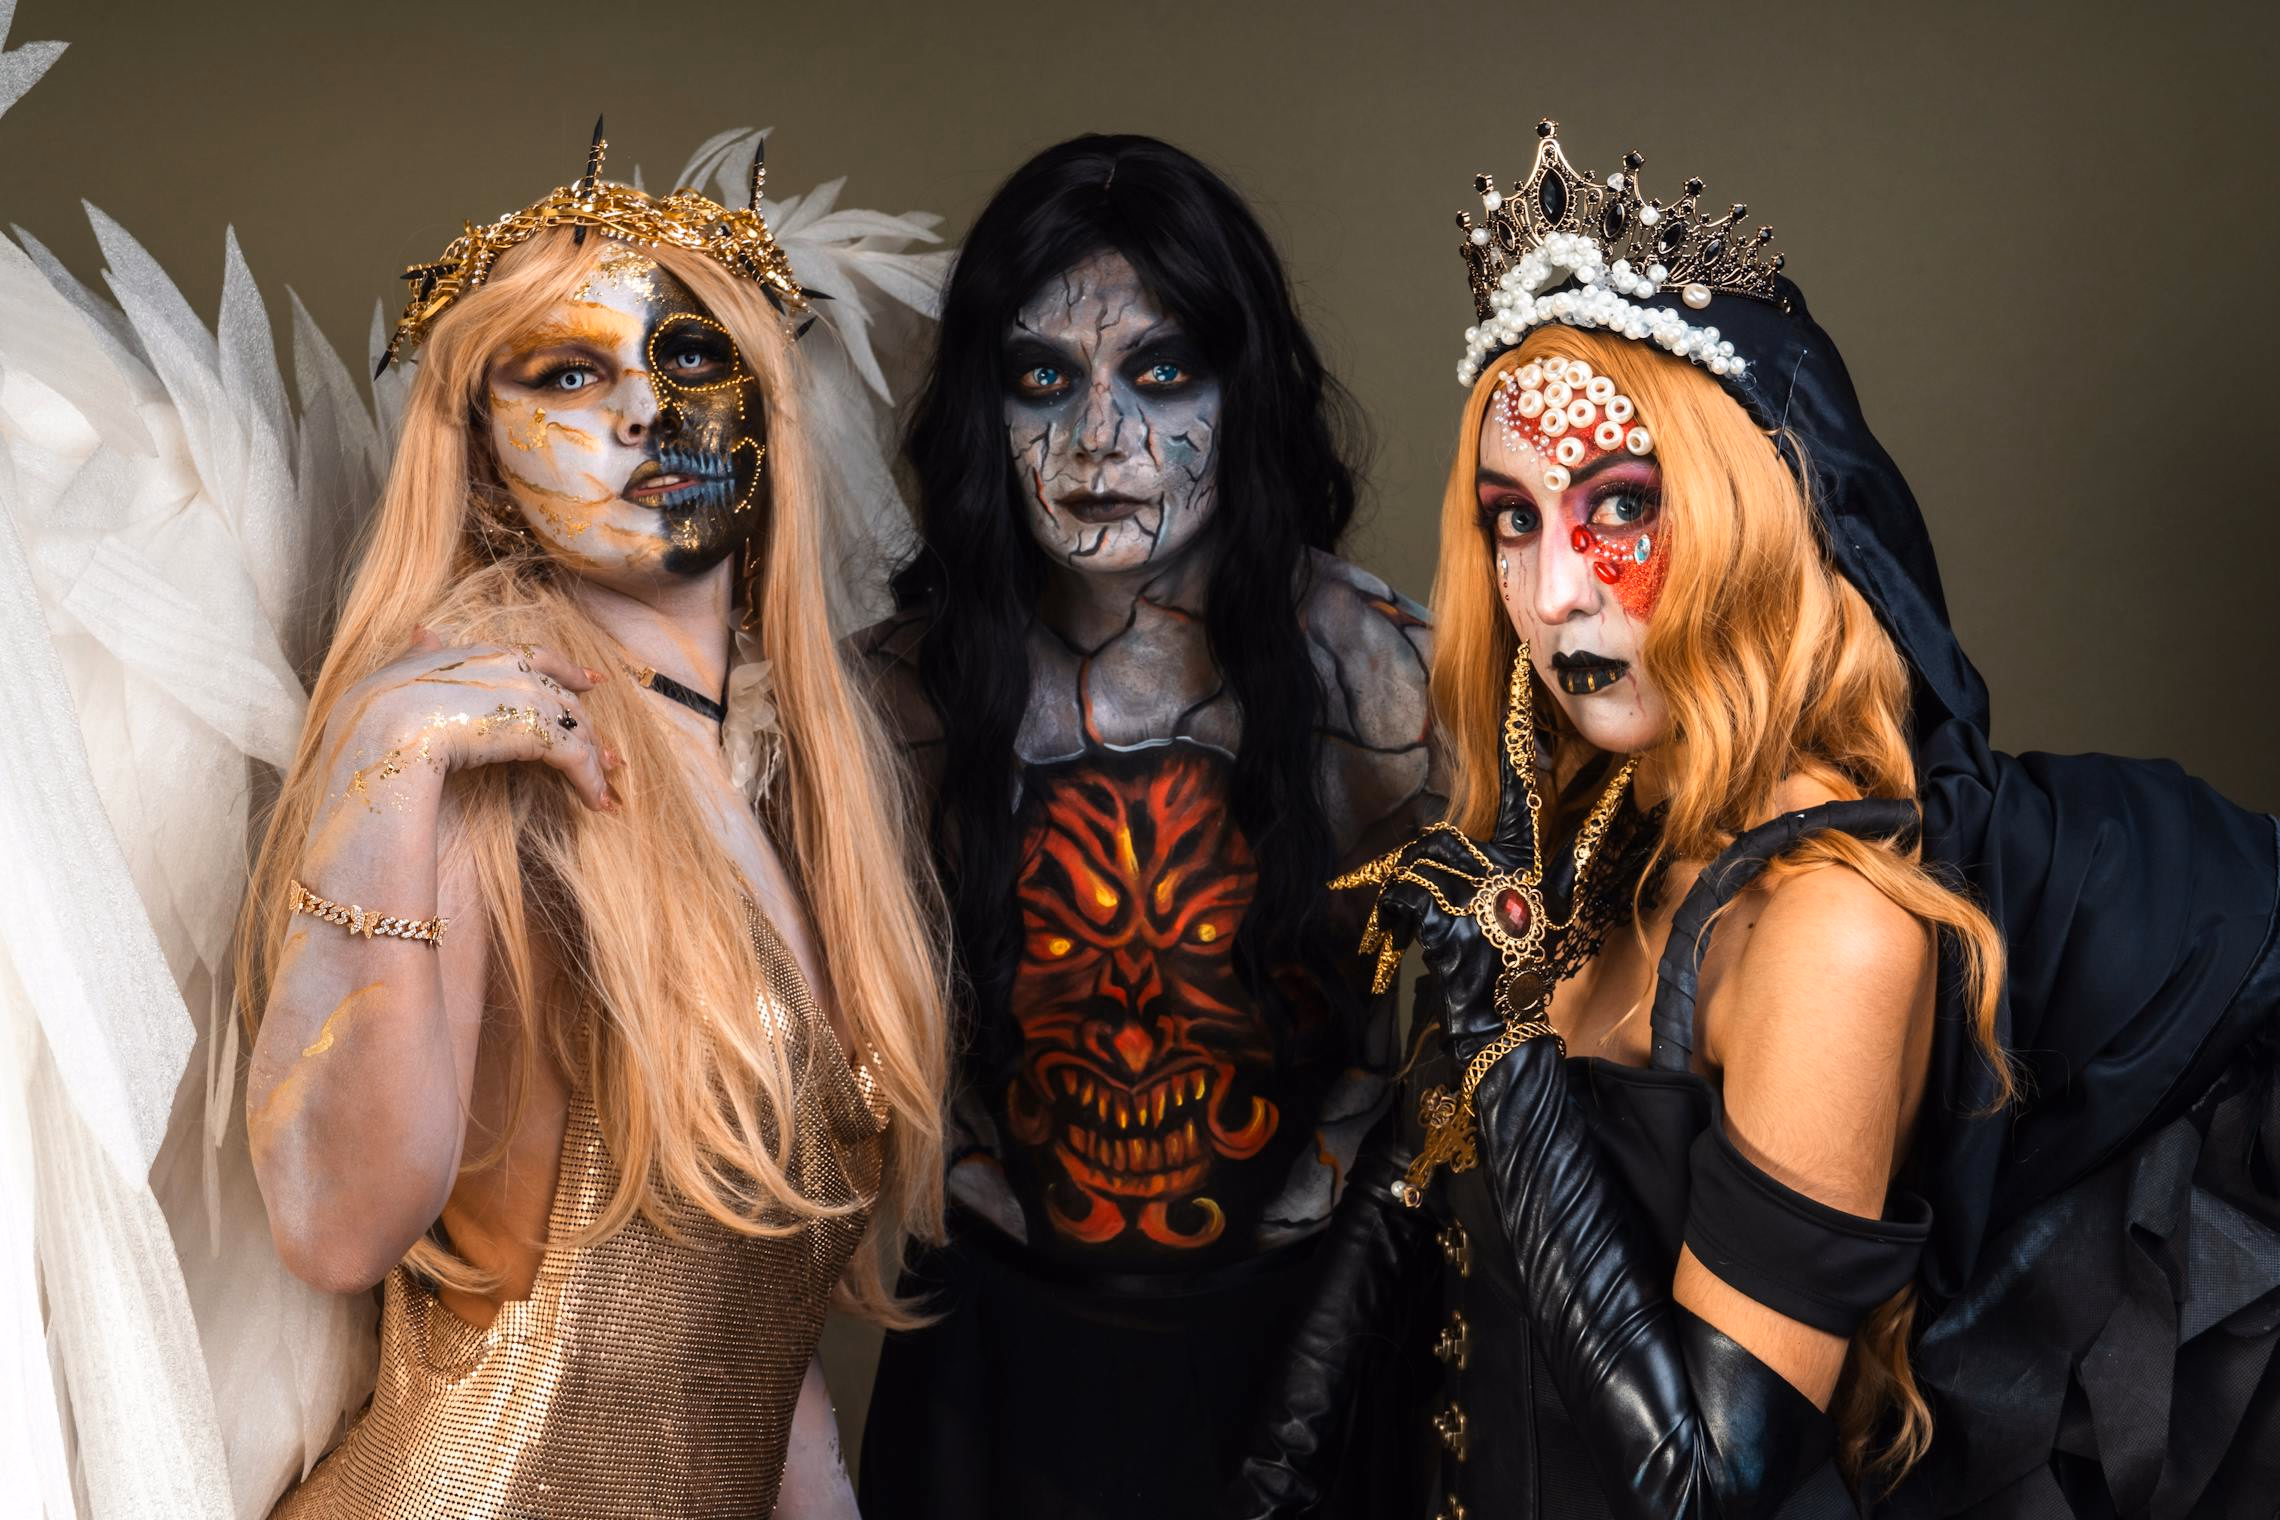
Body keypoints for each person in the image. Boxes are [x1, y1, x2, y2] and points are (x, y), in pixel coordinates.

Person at [1228, 120, 2280, 1519]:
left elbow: (1708, 1490)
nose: (1555, 595)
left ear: (1749, 522)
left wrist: (1502, 1049)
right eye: (1514, 520)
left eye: (1619, 508)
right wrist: (1269, 1477)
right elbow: (1409, 1203)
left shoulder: (1831, 927)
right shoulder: (1598, 847)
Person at [226, 128, 951, 1516]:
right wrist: (382, 771)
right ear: (483, 456)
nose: (643, 415)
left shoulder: (792, 773)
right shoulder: (475, 744)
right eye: (568, 373)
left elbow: (758, 1344)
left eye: (689, 362)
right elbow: (335, 1228)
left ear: (760, 416)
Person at [856, 134, 1441, 1518]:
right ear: (985, 412)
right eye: (1043, 378)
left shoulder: (1377, 673)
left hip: (1308, 1361)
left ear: (1245, 394)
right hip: (991, 1367)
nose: (1100, 439)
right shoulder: (887, 700)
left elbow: (1539, 1019)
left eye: (1161, 372)